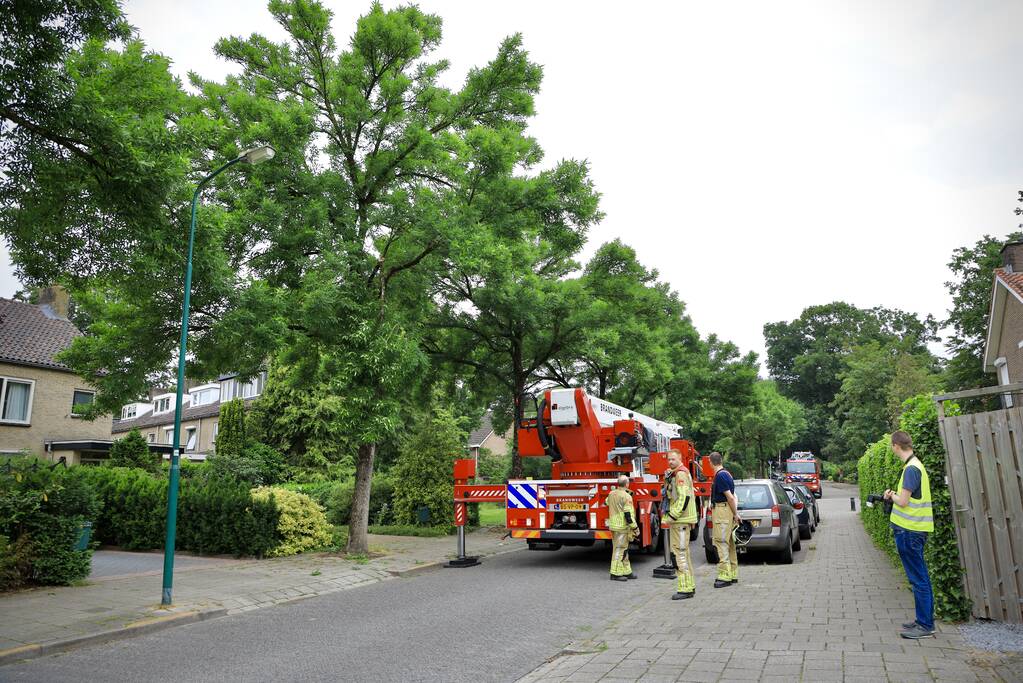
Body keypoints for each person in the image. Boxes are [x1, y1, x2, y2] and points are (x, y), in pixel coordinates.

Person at [884, 430, 935, 639]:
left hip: (910, 531)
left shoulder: (911, 469)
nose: (891, 448)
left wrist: (891, 495)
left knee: (919, 579)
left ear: (896, 445)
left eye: (891, 445)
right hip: (913, 531)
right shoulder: (914, 466)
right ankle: (922, 621)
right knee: (918, 578)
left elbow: (903, 501)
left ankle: (925, 625)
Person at [664, 449, 697, 599]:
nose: (670, 462)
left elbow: (684, 498)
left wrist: (672, 515)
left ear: (680, 459)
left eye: (673, 459)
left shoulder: (680, 474)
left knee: (679, 554)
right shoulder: (678, 473)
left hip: (680, 521)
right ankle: (689, 586)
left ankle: (685, 589)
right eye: (669, 459)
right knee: (683, 554)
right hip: (682, 521)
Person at [709, 451, 740, 588]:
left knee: (721, 543)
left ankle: (724, 577)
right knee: (730, 544)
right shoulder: (727, 474)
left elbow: (730, 497)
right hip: (727, 511)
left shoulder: (720, 476)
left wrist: (735, 514)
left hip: (722, 511)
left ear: (711, 462)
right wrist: (734, 514)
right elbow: (733, 496)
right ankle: (733, 574)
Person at [607, 474, 638, 581]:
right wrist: (635, 527)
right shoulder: (627, 496)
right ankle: (615, 573)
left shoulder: (611, 494)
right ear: (627, 484)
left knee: (623, 550)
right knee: (620, 550)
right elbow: (628, 515)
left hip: (614, 526)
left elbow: (606, 502)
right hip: (622, 527)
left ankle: (626, 571)